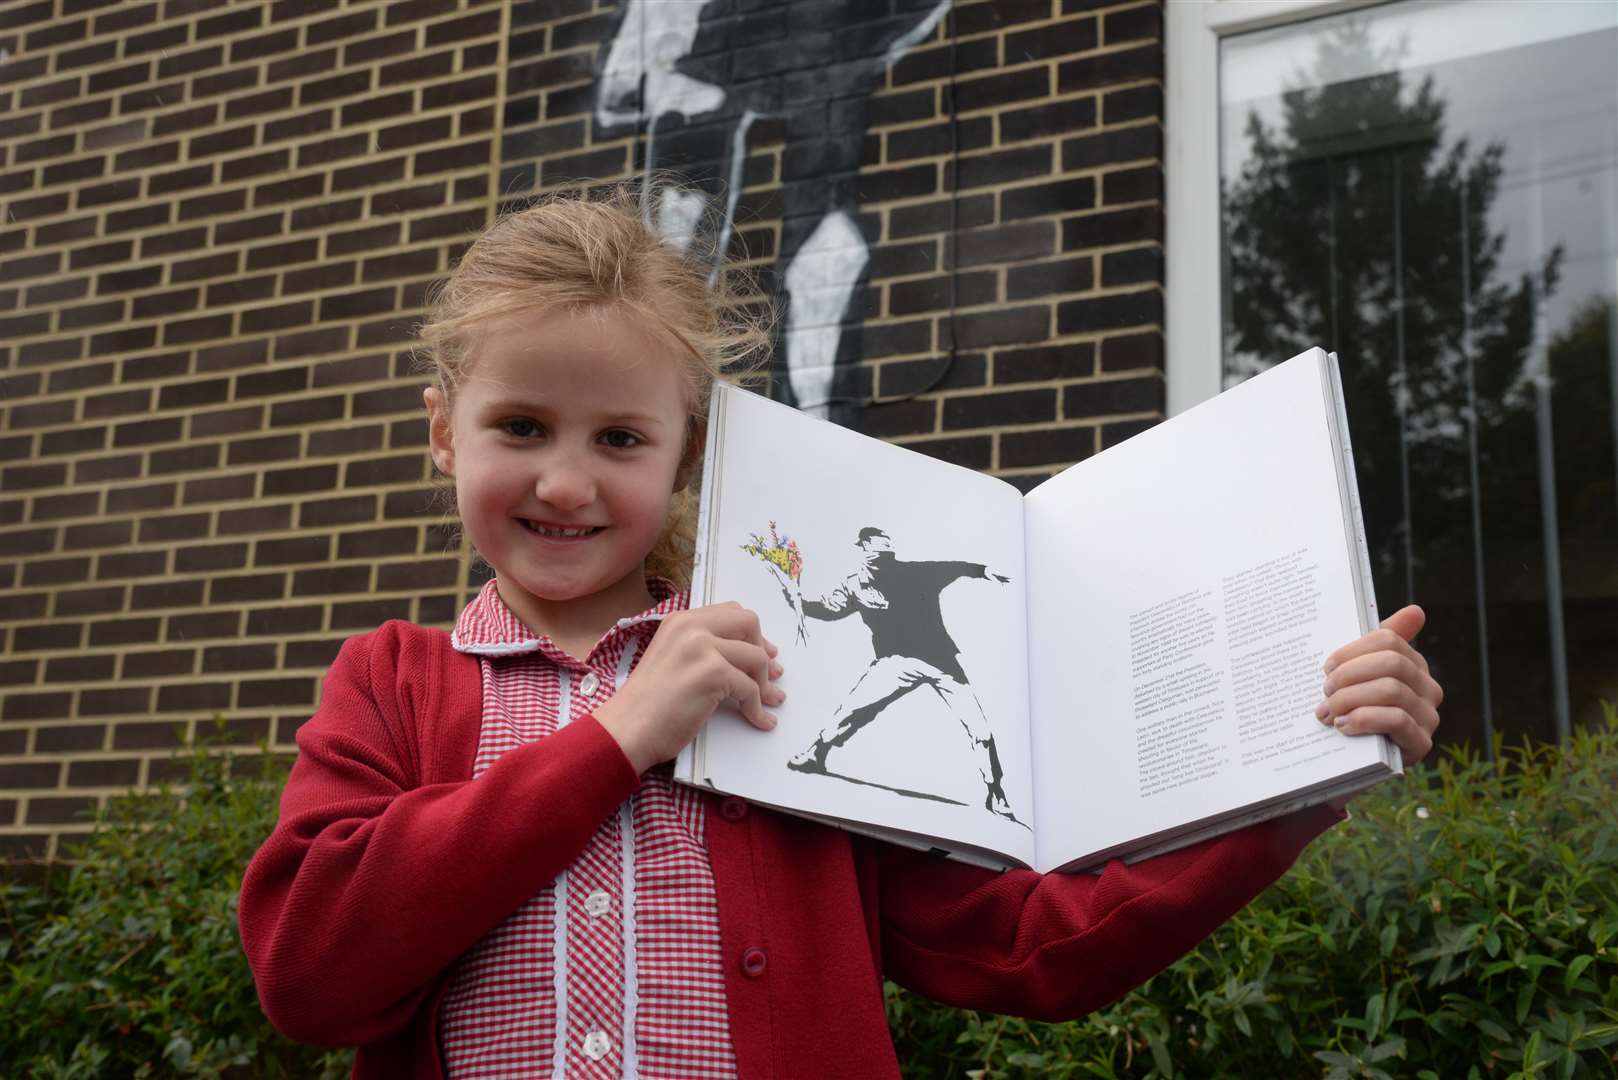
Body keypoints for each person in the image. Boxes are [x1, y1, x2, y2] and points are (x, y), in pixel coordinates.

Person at [238, 182, 1445, 1079]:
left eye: (619, 438)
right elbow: (310, 971)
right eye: (519, 426)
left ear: (688, 453)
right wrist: (617, 737)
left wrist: (1303, 770)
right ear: (444, 431)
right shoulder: (392, 682)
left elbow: (1029, 947)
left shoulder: (788, 677)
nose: (566, 481)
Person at [783, 527, 1023, 823]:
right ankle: (816, 754)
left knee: (979, 728)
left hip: (941, 662)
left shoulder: (916, 573)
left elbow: (955, 568)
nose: (882, 558)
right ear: (862, 549)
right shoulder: (854, 585)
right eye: (876, 551)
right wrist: (798, 602)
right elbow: (831, 609)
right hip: (893, 662)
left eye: (887, 554)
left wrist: (985, 571)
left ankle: (996, 792)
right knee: (852, 710)